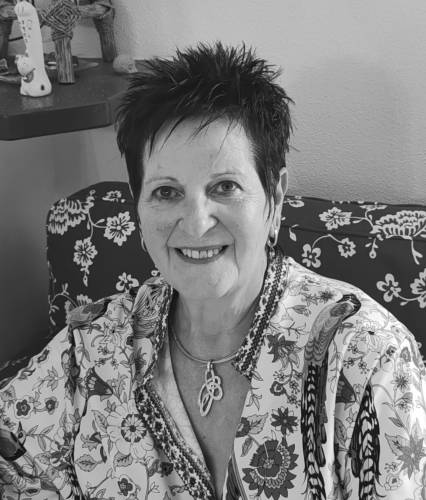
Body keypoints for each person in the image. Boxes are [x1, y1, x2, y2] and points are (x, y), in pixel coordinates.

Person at [1, 42, 425, 500]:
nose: (196, 223)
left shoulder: (366, 359)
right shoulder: (89, 348)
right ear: (138, 208)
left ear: (275, 197)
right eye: (167, 192)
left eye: (224, 186)